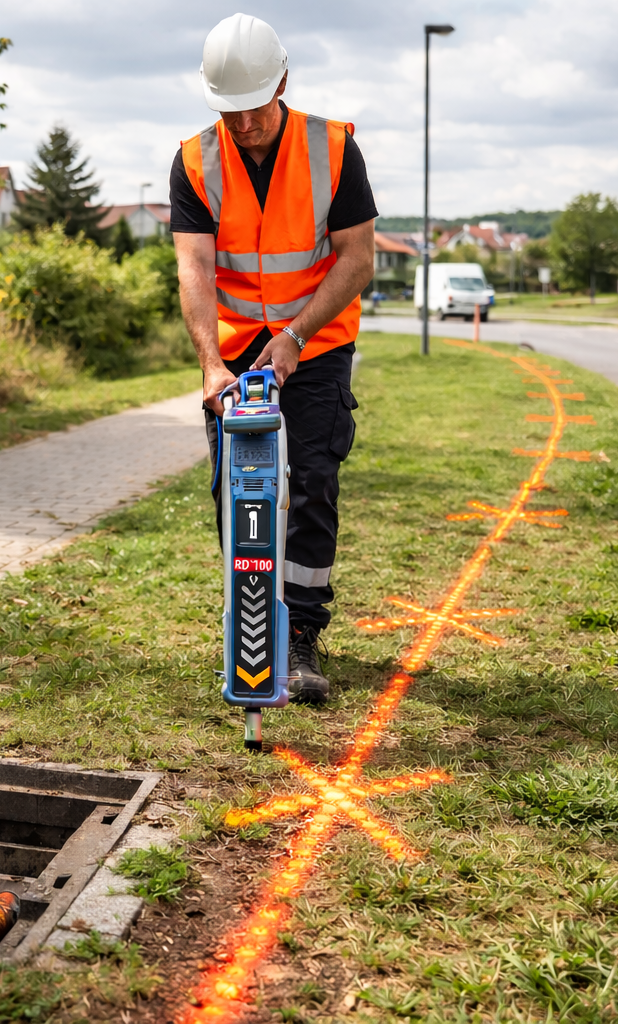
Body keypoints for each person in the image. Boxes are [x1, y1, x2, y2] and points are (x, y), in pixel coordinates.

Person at [172, 13, 376, 705]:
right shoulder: (196, 159)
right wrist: (209, 363)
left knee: (311, 482)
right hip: (233, 354)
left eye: (254, 108)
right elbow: (195, 269)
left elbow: (357, 259)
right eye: (229, 110)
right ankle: (250, 628)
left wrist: (293, 333)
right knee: (240, 492)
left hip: (314, 344)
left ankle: (302, 636)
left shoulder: (335, 149)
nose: (244, 123)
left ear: (282, 83)